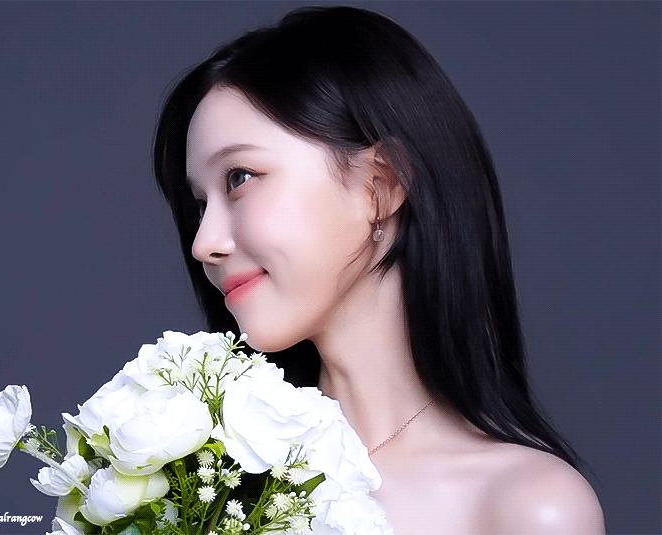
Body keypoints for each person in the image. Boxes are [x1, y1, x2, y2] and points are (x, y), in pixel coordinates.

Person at [152, 6, 605, 534]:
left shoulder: (528, 508)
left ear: (382, 185)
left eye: (240, 177)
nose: (203, 243)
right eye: (198, 204)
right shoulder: (194, 482)